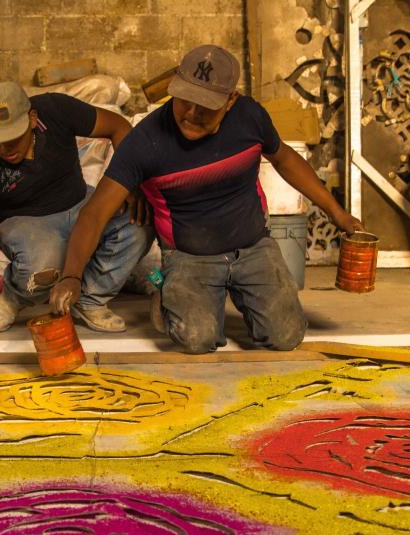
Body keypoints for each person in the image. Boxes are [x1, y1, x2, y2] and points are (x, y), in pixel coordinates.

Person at [50, 44, 366, 354]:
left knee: (286, 336)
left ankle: (239, 295)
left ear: (230, 100)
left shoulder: (250, 117)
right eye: (184, 100)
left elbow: (285, 159)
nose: (190, 113)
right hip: (190, 256)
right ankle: (170, 294)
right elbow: (95, 212)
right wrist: (71, 276)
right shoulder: (146, 141)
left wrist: (337, 213)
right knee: (196, 339)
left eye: (205, 105)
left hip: (253, 246)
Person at [0, 81, 153, 351]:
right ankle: (13, 297)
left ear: (32, 119)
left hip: (80, 203)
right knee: (44, 267)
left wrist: (131, 184)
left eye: (12, 139)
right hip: (26, 223)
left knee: (137, 222)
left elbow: (119, 126)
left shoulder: (55, 110)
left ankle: (90, 297)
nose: (4, 150)